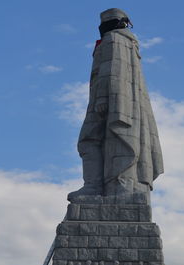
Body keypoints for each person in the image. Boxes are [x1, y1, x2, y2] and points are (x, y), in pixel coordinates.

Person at [68, 8, 164, 200]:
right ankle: (108, 185)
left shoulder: (114, 39)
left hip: (107, 99)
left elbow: (113, 68)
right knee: (107, 139)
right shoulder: (129, 42)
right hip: (118, 99)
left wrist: (103, 98)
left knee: (90, 140)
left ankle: (99, 186)